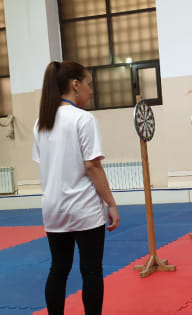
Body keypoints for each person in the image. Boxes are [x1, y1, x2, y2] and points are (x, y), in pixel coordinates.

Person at [32, 61, 120, 314]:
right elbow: (92, 166)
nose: (91, 92)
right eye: (89, 85)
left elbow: (46, 163)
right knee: (91, 270)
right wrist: (111, 204)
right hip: (83, 208)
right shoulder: (83, 119)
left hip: (53, 208)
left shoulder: (42, 122)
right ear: (75, 84)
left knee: (58, 268)